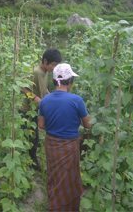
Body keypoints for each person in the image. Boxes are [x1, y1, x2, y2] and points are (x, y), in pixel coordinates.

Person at [38, 63, 91, 211]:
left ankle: (54, 204)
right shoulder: (76, 100)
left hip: (52, 145)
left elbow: (41, 125)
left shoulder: (45, 101)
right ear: (70, 82)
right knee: (69, 178)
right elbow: (88, 125)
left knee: (54, 177)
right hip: (69, 146)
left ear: (54, 81)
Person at [22, 48, 62, 170]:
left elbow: (44, 89)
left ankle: (30, 161)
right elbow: (23, 88)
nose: (54, 68)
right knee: (31, 138)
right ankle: (31, 164)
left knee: (33, 137)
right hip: (25, 110)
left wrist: (52, 96)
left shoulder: (46, 72)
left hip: (34, 109)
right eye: (53, 65)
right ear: (45, 61)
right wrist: (36, 99)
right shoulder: (37, 72)